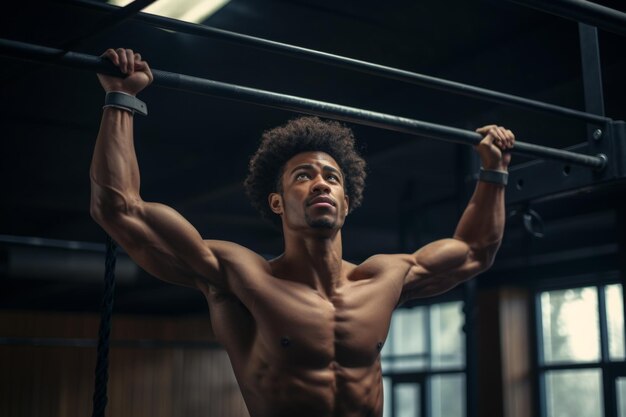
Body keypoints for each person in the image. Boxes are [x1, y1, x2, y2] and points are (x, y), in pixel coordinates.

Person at [90, 48, 515, 417]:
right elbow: (120, 209)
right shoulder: (241, 277)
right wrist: (121, 97)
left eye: (332, 177)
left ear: (346, 202)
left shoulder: (385, 278)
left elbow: (476, 251)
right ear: (277, 202)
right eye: (303, 175)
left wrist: (493, 171)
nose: (321, 183)